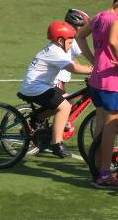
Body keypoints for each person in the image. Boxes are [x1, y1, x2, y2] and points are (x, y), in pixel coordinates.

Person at [76, 0, 118, 187]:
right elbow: (113, 42)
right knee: (111, 127)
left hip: (97, 80)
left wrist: (93, 60)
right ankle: (104, 173)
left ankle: (96, 167)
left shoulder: (98, 17)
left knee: (101, 123)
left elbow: (79, 36)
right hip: (113, 81)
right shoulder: (116, 20)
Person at [18, 21, 93, 158]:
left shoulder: (57, 48)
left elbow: (73, 63)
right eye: (70, 42)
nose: (71, 46)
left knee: (69, 99)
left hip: (42, 85)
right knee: (64, 107)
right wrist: (92, 70)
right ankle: (56, 143)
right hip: (35, 88)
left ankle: (38, 117)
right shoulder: (55, 52)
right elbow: (73, 68)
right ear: (60, 40)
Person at [54, 8, 94, 91]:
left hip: (58, 80)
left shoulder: (65, 37)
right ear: (76, 26)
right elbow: (88, 54)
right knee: (69, 104)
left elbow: (72, 59)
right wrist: (97, 67)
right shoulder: (73, 40)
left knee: (73, 103)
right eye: (84, 27)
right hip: (56, 81)